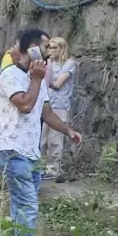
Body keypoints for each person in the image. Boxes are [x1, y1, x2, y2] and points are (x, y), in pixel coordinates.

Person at [0, 27, 83, 236]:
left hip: (31, 154)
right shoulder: (9, 75)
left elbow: (47, 113)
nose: (50, 53)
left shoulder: (38, 79)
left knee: (20, 209)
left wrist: (68, 131)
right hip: (13, 150)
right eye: (46, 47)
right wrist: (36, 78)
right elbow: (25, 105)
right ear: (33, 49)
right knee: (27, 208)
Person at [41, 37, 77, 180]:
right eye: (49, 47)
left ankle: (53, 170)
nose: (51, 50)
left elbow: (57, 84)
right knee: (43, 139)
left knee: (55, 139)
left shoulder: (69, 64)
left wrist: (45, 76)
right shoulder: (49, 63)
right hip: (47, 103)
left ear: (62, 49)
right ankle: (41, 167)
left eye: (55, 47)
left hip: (61, 104)